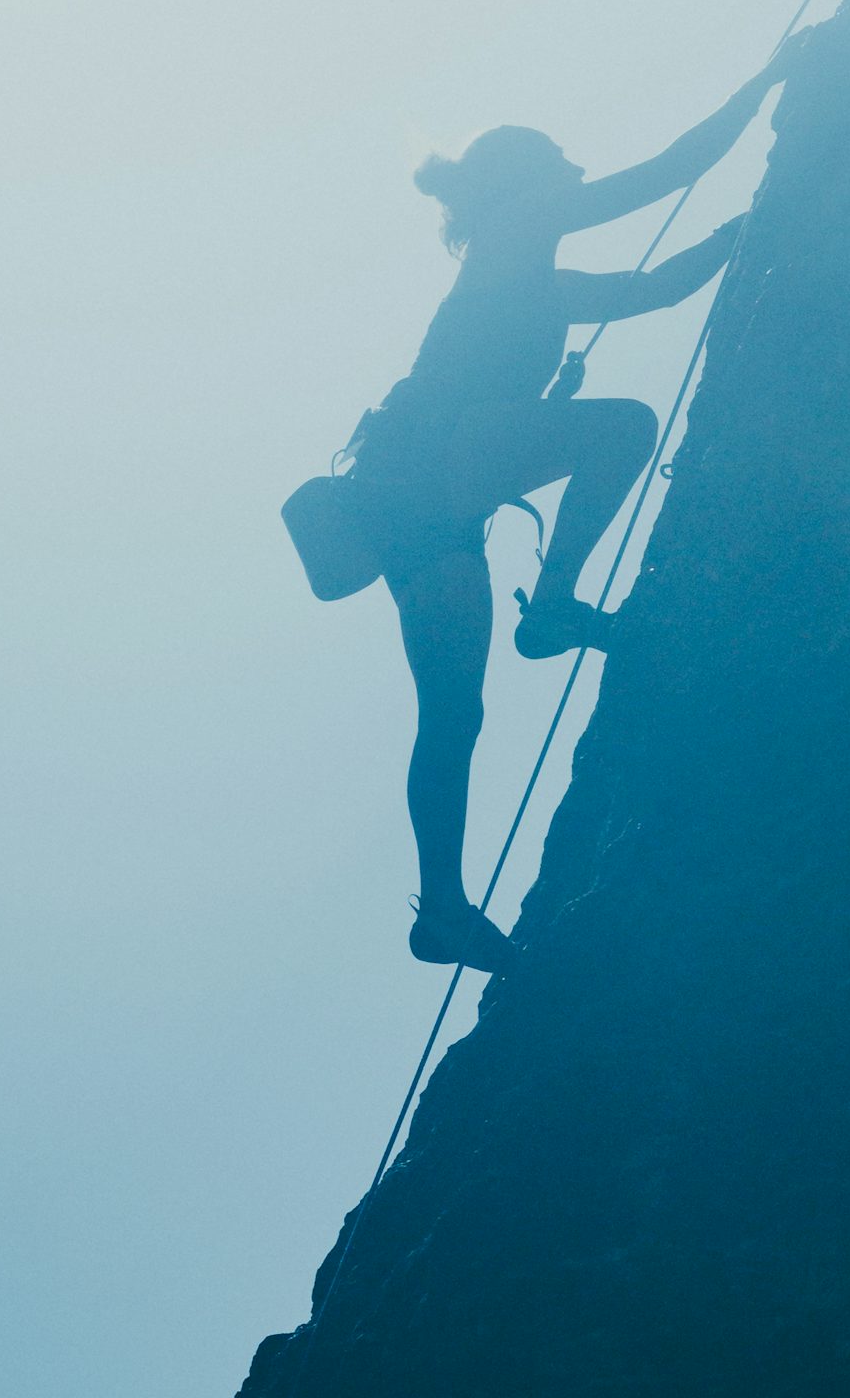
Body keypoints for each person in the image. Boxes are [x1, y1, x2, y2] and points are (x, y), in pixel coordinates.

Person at [334, 64, 780, 973]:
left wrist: (738, 231)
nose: (574, 169)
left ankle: (443, 909)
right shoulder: (519, 226)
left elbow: (657, 288)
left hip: (419, 509)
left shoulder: (526, 273)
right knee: (624, 427)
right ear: (524, 177)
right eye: (558, 160)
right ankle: (554, 604)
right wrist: (769, 80)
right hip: (449, 463)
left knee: (453, 714)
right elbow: (669, 170)